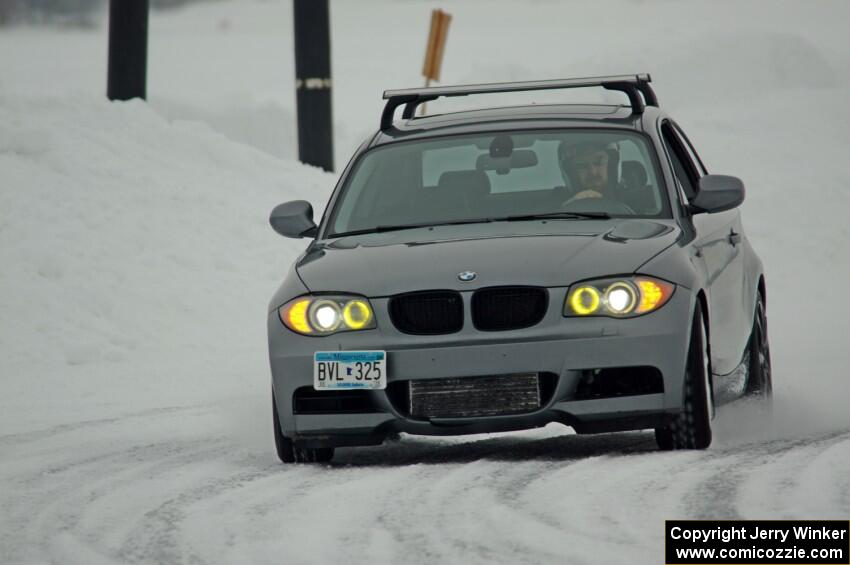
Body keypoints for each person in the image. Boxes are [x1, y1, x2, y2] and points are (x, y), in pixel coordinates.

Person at [558, 140, 618, 206]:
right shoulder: (553, 204)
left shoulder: (629, 201)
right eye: (582, 165)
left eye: (598, 162)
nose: (593, 172)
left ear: (611, 166)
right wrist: (568, 209)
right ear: (572, 173)